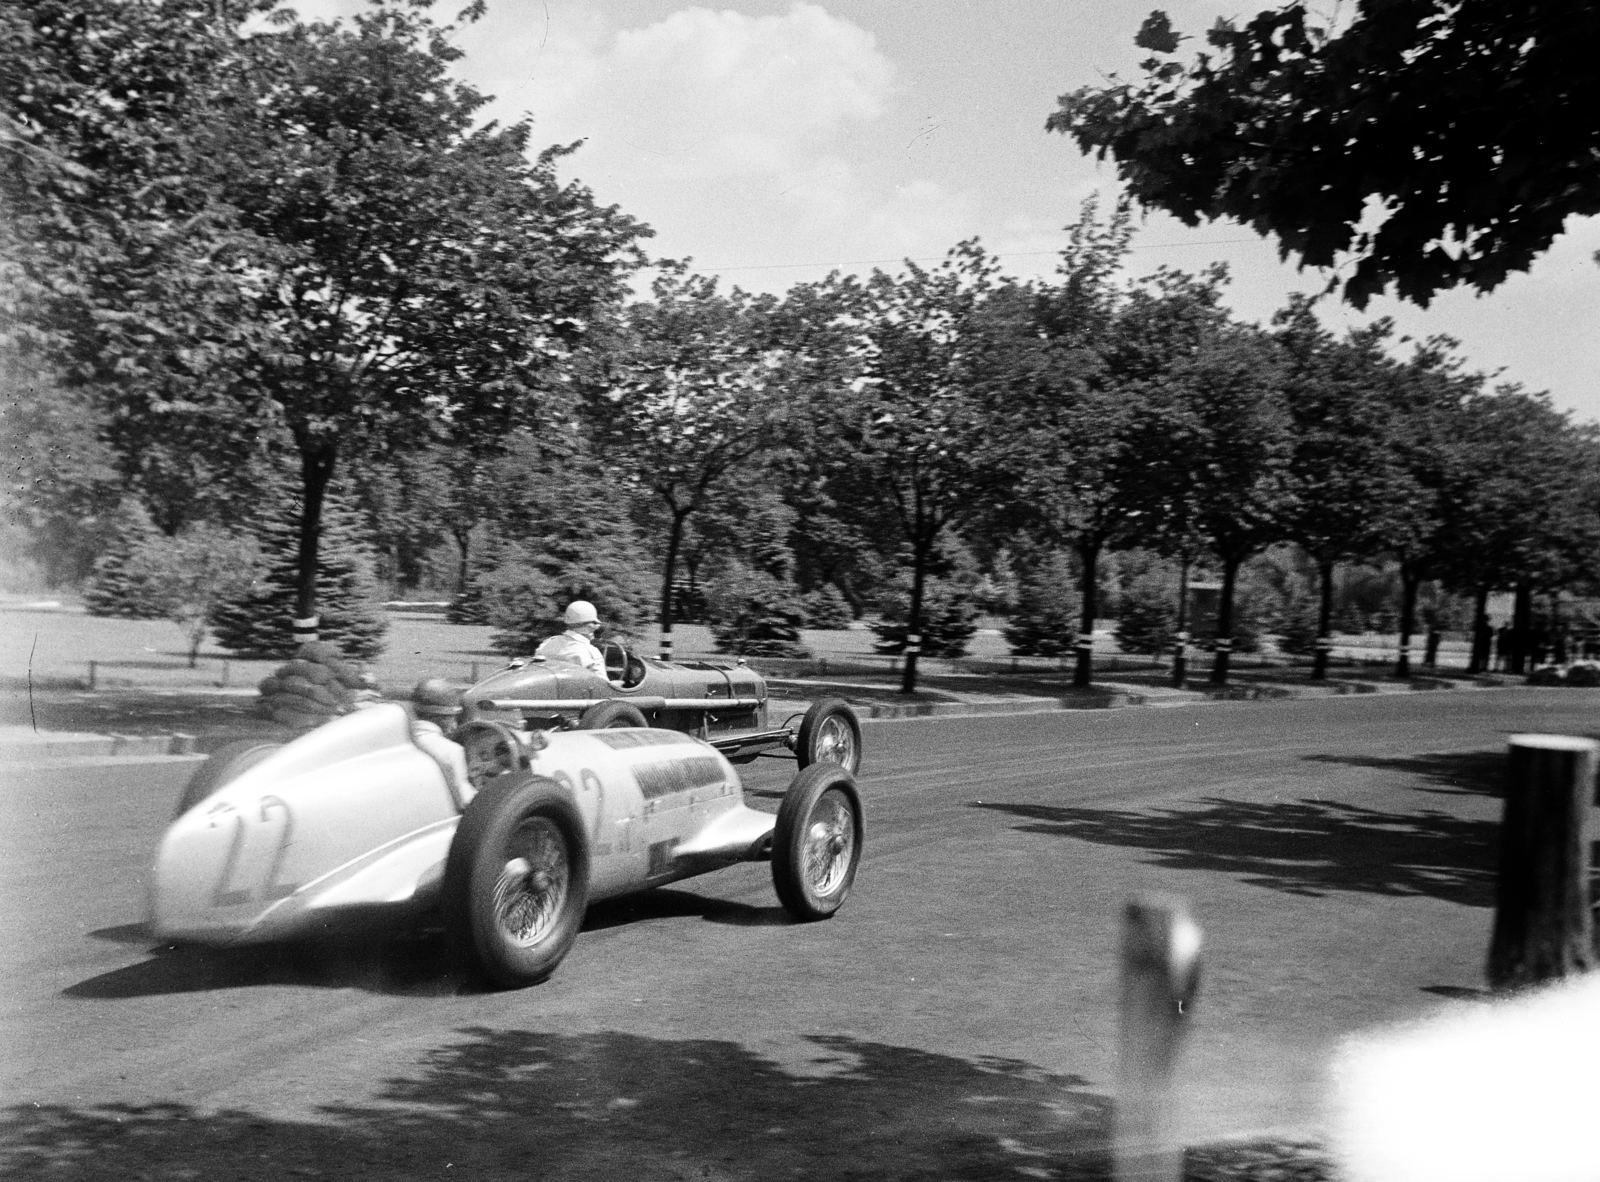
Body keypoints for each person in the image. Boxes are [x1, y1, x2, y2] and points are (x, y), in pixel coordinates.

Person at [536, 600, 606, 676]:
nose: (596, 627)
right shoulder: (590, 654)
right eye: (594, 623)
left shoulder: (546, 644)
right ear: (589, 626)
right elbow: (602, 685)